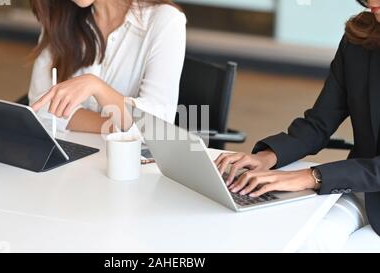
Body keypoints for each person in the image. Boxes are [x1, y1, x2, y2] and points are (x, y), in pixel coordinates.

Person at [215, 0, 380, 252]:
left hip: (362, 183)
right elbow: (319, 122)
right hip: (363, 189)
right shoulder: (359, 39)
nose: (371, 2)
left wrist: (311, 176)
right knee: (302, 240)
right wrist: (268, 157)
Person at [28, 0, 186, 133]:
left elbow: (158, 127)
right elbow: (40, 107)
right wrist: (119, 126)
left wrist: (96, 87)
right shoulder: (59, 18)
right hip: (75, 162)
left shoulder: (165, 20)